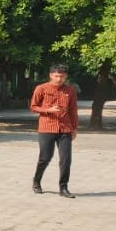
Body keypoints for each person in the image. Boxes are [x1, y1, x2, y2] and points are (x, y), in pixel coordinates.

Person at [30, 64, 80, 198]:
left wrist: (74, 128)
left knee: (66, 159)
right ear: (51, 75)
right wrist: (48, 110)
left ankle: (63, 188)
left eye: (62, 76)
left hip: (65, 128)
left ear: (66, 77)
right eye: (56, 76)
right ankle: (36, 180)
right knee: (45, 157)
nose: (59, 79)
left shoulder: (70, 91)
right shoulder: (41, 89)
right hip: (47, 127)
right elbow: (33, 107)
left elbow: (73, 111)